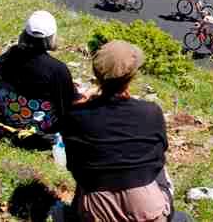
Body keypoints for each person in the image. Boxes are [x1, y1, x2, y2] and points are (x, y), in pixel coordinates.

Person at [61, 40, 191, 222]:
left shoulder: (75, 116)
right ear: (131, 77)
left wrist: (82, 106)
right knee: (181, 213)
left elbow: (74, 166)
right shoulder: (150, 112)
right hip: (149, 212)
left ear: (96, 75)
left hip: (95, 212)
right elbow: (159, 155)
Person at [0, 11, 76, 138]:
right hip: (40, 126)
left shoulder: (14, 54)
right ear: (52, 37)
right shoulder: (57, 69)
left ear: (25, 34)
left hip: (9, 116)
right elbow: (65, 106)